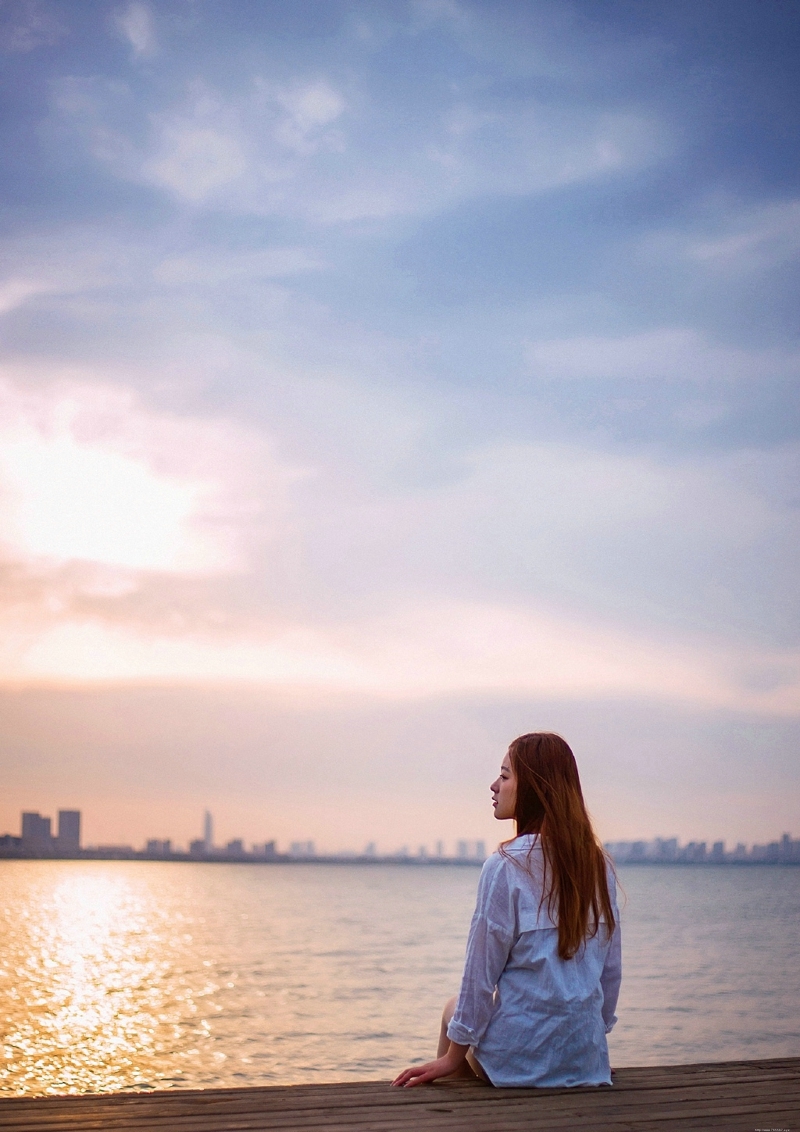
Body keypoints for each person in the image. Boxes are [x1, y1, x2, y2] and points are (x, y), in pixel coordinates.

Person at [392, 732, 621, 1088]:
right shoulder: (598, 864)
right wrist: (589, 1041)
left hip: (521, 1059)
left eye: (505, 775)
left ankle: (453, 1109)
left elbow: (479, 976)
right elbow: (610, 970)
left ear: (532, 787)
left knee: (452, 1011)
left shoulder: (504, 866)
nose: (494, 786)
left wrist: (452, 1058)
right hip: (586, 1059)